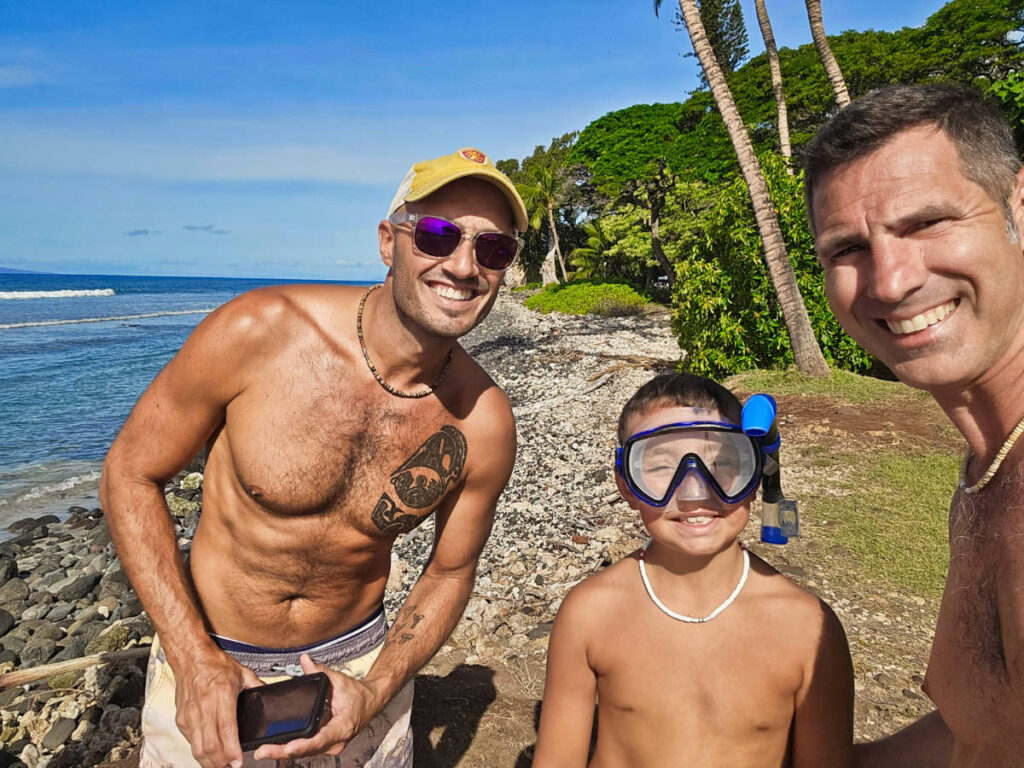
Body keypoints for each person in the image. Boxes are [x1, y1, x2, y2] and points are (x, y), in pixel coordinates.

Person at [100, 147, 526, 768]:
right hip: (211, 663)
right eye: (437, 235)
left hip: (356, 668)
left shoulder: (482, 421)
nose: (463, 266)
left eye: (493, 250)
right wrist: (192, 661)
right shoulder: (259, 332)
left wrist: (377, 689)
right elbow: (131, 472)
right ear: (389, 241)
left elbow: (450, 573)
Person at [804, 83, 1024, 767]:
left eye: (926, 223)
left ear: (1020, 207)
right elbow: (983, 727)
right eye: (848, 249)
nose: (891, 282)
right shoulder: (989, 467)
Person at [532, 372, 854, 768]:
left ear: (755, 474)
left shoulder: (808, 628)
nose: (695, 493)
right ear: (626, 484)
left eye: (721, 463)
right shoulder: (590, 613)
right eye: (663, 468)